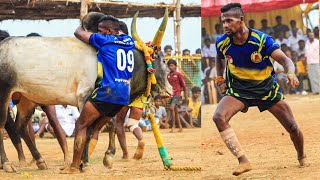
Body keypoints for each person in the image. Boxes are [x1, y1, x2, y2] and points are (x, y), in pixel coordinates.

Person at [213, 3, 308, 176]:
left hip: (267, 91)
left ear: (241, 20)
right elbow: (219, 60)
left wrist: (291, 73)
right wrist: (220, 79)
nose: (225, 25)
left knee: (293, 127)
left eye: (229, 21)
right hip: (239, 91)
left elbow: (285, 59)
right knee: (219, 117)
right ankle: (243, 160)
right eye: (223, 21)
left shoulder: (262, 40)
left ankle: (301, 156)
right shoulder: (222, 42)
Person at [61, 15, 135, 174]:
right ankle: (84, 162)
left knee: (80, 125)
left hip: (108, 92)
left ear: (108, 31)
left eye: (100, 31)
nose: (98, 33)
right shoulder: (129, 40)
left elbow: (78, 33)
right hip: (123, 96)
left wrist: (84, 22)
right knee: (93, 126)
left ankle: (74, 166)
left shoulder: (104, 40)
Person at [167, 59, 188, 133]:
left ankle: (173, 126)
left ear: (175, 66)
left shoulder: (179, 74)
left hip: (178, 94)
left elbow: (184, 86)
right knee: (175, 110)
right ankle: (180, 127)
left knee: (172, 108)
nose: (170, 67)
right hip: (171, 95)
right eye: (169, 65)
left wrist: (186, 97)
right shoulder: (168, 76)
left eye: (172, 65)